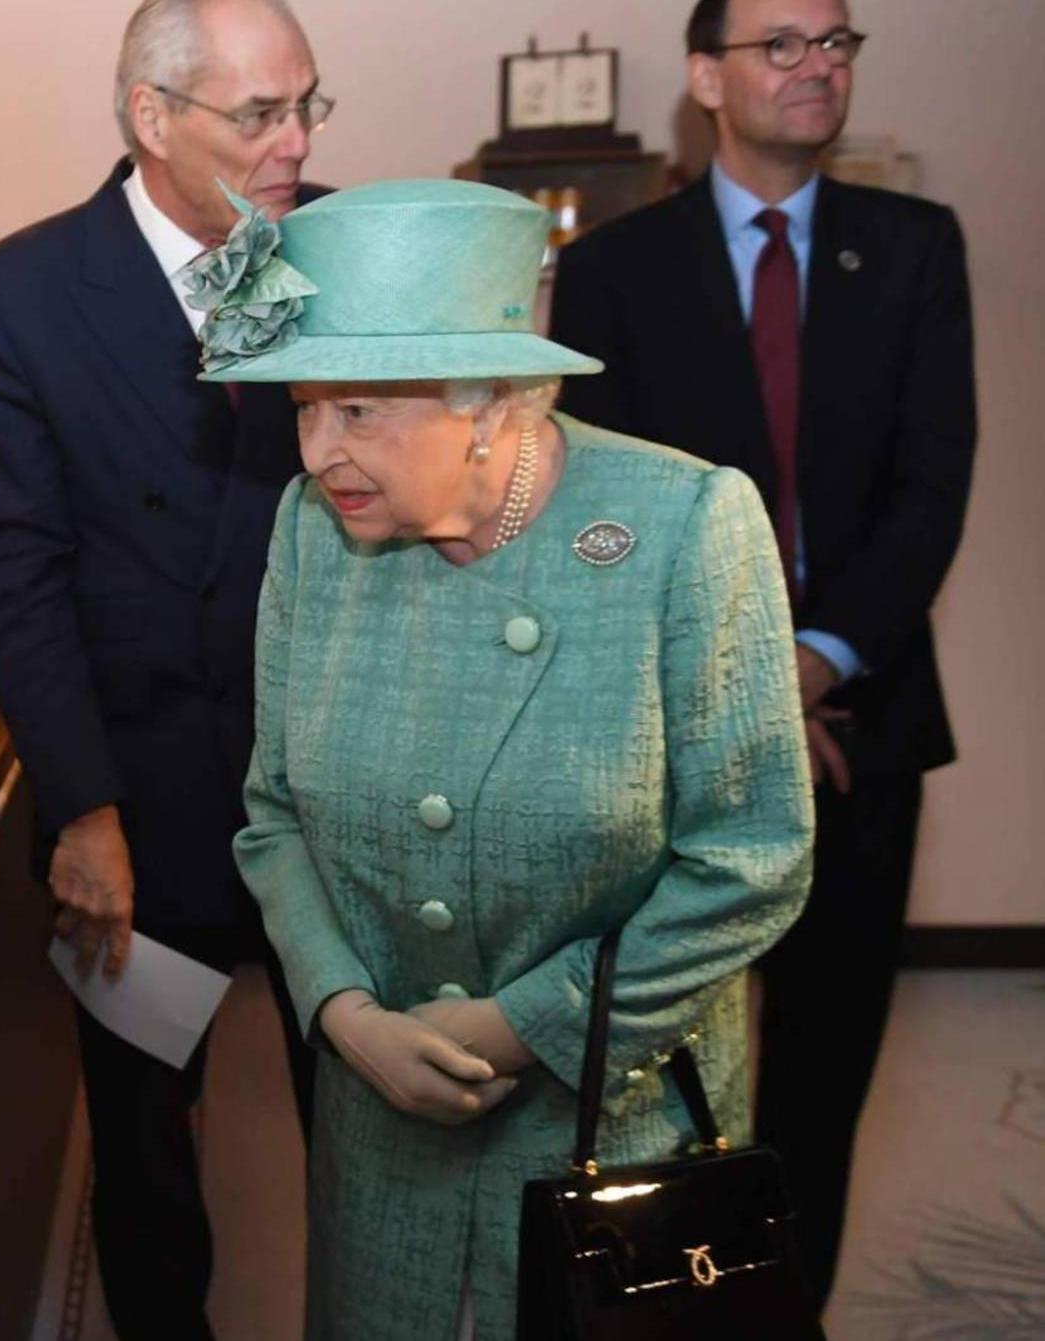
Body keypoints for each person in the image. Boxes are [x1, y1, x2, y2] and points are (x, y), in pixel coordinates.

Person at [206, 179, 814, 1338]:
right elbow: (273, 812)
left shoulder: (684, 524)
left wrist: (534, 1020)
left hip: (613, 1123)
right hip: (379, 1116)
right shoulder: (310, 532)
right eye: (302, 409)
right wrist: (340, 1013)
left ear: (491, 404)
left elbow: (752, 855)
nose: (320, 451)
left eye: (359, 412)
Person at [549, 0, 975, 1302]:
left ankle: (790, 1319)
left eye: (836, 42)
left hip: (863, 727)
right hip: (669, 743)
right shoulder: (619, 265)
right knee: (668, 1080)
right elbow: (600, 520)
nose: (815, 67)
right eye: (780, 43)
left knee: (824, 1072)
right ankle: (681, 1316)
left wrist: (817, 662)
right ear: (705, 76)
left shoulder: (912, 248)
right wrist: (744, 687)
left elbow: (930, 487)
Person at [0, 2, 324, 1335]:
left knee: (365, 1119)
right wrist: (85, 807)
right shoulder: (22, 293)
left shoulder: (315, 253)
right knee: (151, 1146)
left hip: (325, 781)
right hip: (142, 790)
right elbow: (16, 571)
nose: (293, 145)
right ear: (153, 119)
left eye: (305, 108)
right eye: (258, 115)